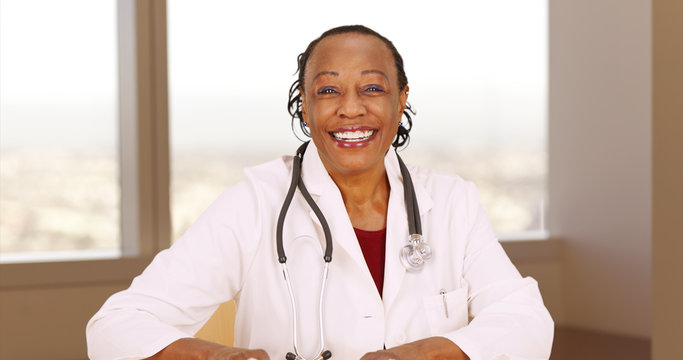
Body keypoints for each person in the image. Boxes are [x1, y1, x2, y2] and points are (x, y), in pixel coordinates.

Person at [87, 25, 553, 360]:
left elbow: (526, 322)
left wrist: (426, 354)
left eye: (372, 87)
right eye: (328, 91)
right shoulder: (256, 201)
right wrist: (220, 358)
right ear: (305, 107)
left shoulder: (452, 203)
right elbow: (116, 327)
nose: (351, 109)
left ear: (401, 101)